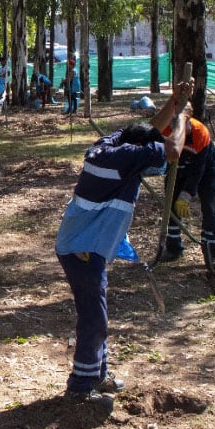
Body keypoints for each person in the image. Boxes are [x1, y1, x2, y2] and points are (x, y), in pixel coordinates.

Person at [54, 80, 192, 411]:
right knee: (94, 318)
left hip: (83, 245)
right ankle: (81, 387)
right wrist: (184, 117)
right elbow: (171, 150)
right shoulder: (127, 158)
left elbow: (149, 132)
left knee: (96, 313)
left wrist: (173, 104)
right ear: (138, 151)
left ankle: (96, 372)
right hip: (82, 251)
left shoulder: (110, 143)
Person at [158, 103, 215, 264]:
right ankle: (173, 247)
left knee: (208, 205)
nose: (177, 130)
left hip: (205, 169)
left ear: (188, 119)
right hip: (177, 167)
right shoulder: (165, 129)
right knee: (171, 203)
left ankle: (213, 251)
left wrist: (187, 194)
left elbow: (198, 170)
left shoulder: (200, 133)